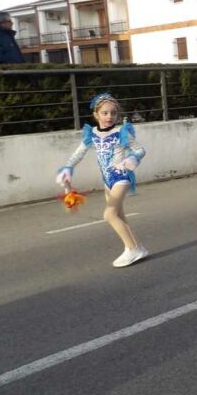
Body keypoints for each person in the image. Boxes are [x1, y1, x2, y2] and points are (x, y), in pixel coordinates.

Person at [55, 93, 148, 267]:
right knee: (120, 215)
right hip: (107, 181)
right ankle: (136, 247)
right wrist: (68, 168)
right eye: (105, 113)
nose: (109, 117)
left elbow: (140, 150)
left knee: (109, 214)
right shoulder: (93, 134)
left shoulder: (121, 132)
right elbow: (78, 154)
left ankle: (132, 249)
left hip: (121, 177)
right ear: (96, 115)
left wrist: (133, 159)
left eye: (113, 113)